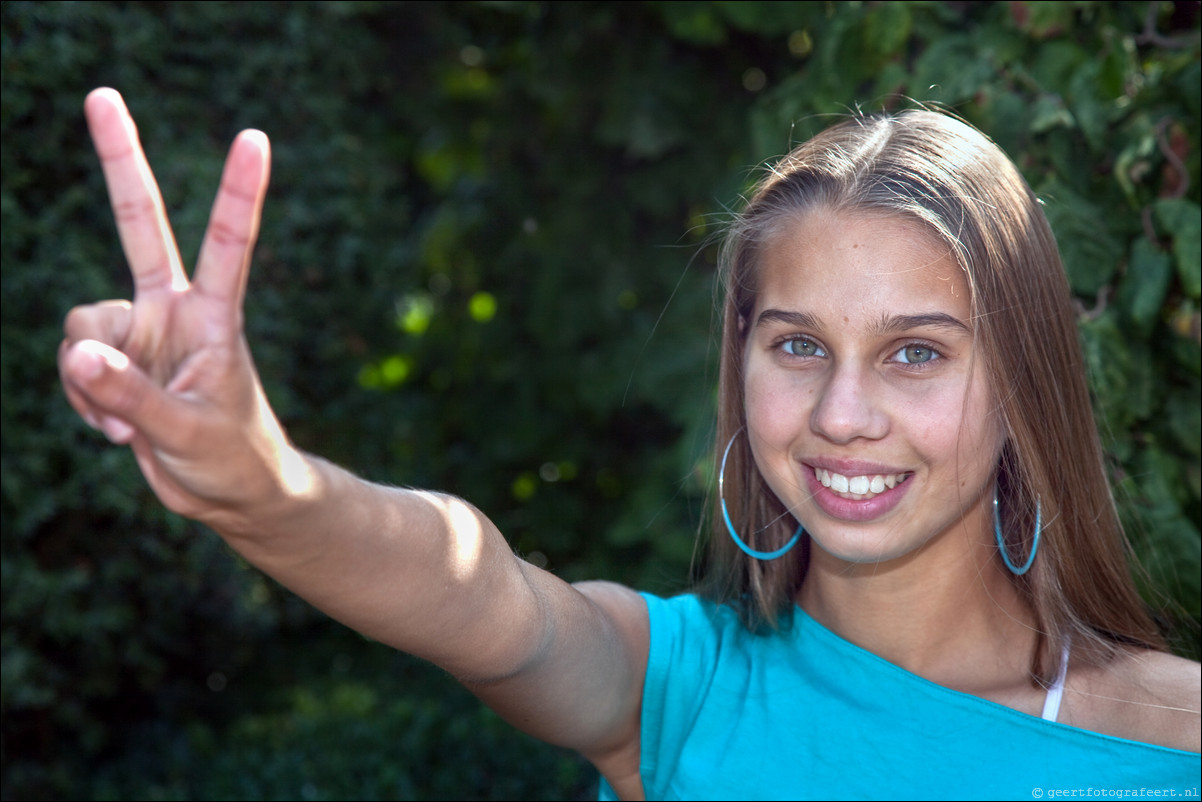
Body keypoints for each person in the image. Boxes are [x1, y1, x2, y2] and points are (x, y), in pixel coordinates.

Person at [59, 88, 1199, 800]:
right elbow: (472, 590)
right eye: (796, 345)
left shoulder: (1174, 731)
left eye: (914, 353)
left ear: (1023, 383)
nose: (842, 415)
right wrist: (267, 486)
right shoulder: (673, 688)